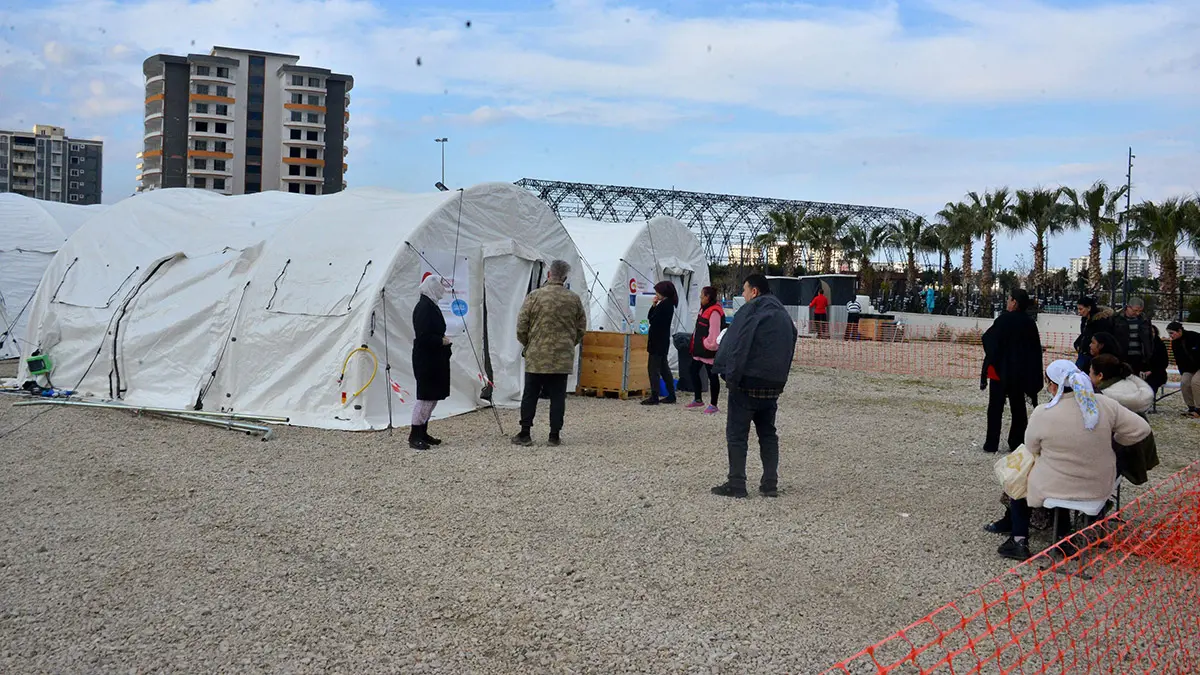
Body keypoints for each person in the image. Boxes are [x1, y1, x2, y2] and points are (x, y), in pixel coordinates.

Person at [995, 360, 1151, 561]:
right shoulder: (1105, 404)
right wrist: (1114, 441)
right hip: (1098, 485)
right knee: (1061, 479)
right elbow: (1142, 429)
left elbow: (1032, 447)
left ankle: (1019, 540)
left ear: (1053, 385)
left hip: (1056, 484)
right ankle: (1062, 538)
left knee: (1018, 481)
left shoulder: (1044, 412)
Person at [710, 274, 798, 499]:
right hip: (772, 385)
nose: (744, 295)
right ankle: (770, 484)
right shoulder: (783, 314)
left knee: (737, 434)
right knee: (768, 433)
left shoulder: (751, 311)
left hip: (747, 383)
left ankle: (736, 483)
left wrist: (730, 376)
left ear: (755, 291)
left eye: (745, 290)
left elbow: (737, 343)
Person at [513, 259, 588, 446]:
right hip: (562, 357)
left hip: (537, 355)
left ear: (548, 274)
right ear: (565, 277)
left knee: (530, 394)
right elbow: (581, 328)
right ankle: (554, 435)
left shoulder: (534, 296)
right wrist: (569, 344)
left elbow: (522, 325)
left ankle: (525, 433)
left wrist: (528, 344)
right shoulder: (574, 299)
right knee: (557, 397)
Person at [980, 289, 1043, 454]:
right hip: (1020, 373)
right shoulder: (1030, 323)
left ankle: (991, 443)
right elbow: (1035, 350)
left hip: (1000, 371)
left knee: (995, 407)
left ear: (1014, 302)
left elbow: (989, 339)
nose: (1007, 302)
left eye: (1009, 299)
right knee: (1018, 408)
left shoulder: (1004, 320)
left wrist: (995, 357)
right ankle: (1017, 442)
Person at [410, 274, 453, 450]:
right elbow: (423, 337)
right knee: (425, 398)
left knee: (432, 397)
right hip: (427, 360)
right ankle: (415, 435)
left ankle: (423, 431)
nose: (442, 292)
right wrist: (441, 341)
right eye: (440, 288)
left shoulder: (430, 305)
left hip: (435, 359)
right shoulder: (423, 307)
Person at [686, 286, 725, 414]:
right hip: (699, 349)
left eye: (702, 296)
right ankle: (698, 399)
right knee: (693, 370)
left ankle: (714, 404)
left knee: (712, 376)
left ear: (708, 297)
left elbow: (715, 332)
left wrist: (708, 344)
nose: (700, 298)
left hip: (708, 350)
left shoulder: (714, 312)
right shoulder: (703, 309)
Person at [642, 280, 678, 406]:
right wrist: (654, 305)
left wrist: (654, 307)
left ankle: (654, 395)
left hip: (657, 341)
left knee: (653, 368)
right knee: (664, 368)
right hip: (662, 341)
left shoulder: (665, 305)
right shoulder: (668, 304)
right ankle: (671, 394)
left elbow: (652, 319)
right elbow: (651, 317)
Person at [1089, 354, 1154, 415]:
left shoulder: (1105, 395)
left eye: (1090, 372)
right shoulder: (1130, 383)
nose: (1089, 375)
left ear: (1100, 375)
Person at [1167, 321, 1200, 418]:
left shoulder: (1195, 337)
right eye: (1169, 333)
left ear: (1180, 331)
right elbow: (1178, 360)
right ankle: (1191, 408)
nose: (1170, 336)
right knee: (1184, 382)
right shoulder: (1174, 343)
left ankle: (1199, 409)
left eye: (1172, 333)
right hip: (1190, 368)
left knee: (1196, 382)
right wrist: (1182, 372)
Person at [1113, 297, 1153, 374]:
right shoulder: (1116, 318)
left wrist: (1148, 357)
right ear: (1128, 307)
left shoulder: (1144, 320)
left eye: (1140, 311)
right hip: (1122, 356)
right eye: (1135, 310)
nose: (1137, 313)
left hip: (1138, 357)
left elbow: (1149, 340)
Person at [1074, 297, 1115, 371]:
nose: (1079, 312)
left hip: (1094, 356)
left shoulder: (1100, 321)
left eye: (1081, 309)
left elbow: (1101, 339)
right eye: (1078, 309)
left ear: (1089, 308)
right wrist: (1077, 344)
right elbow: (1084, 334)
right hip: (1083, 354)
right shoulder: (1085, 320)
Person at [1142, 324, 1170, 393]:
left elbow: (1164, 363)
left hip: (1157, 373)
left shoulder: (1160, 345)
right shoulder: (1140, 344)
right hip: (1141, 372)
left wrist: (1151, 371)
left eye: (1152, 332)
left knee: (1150, 385)